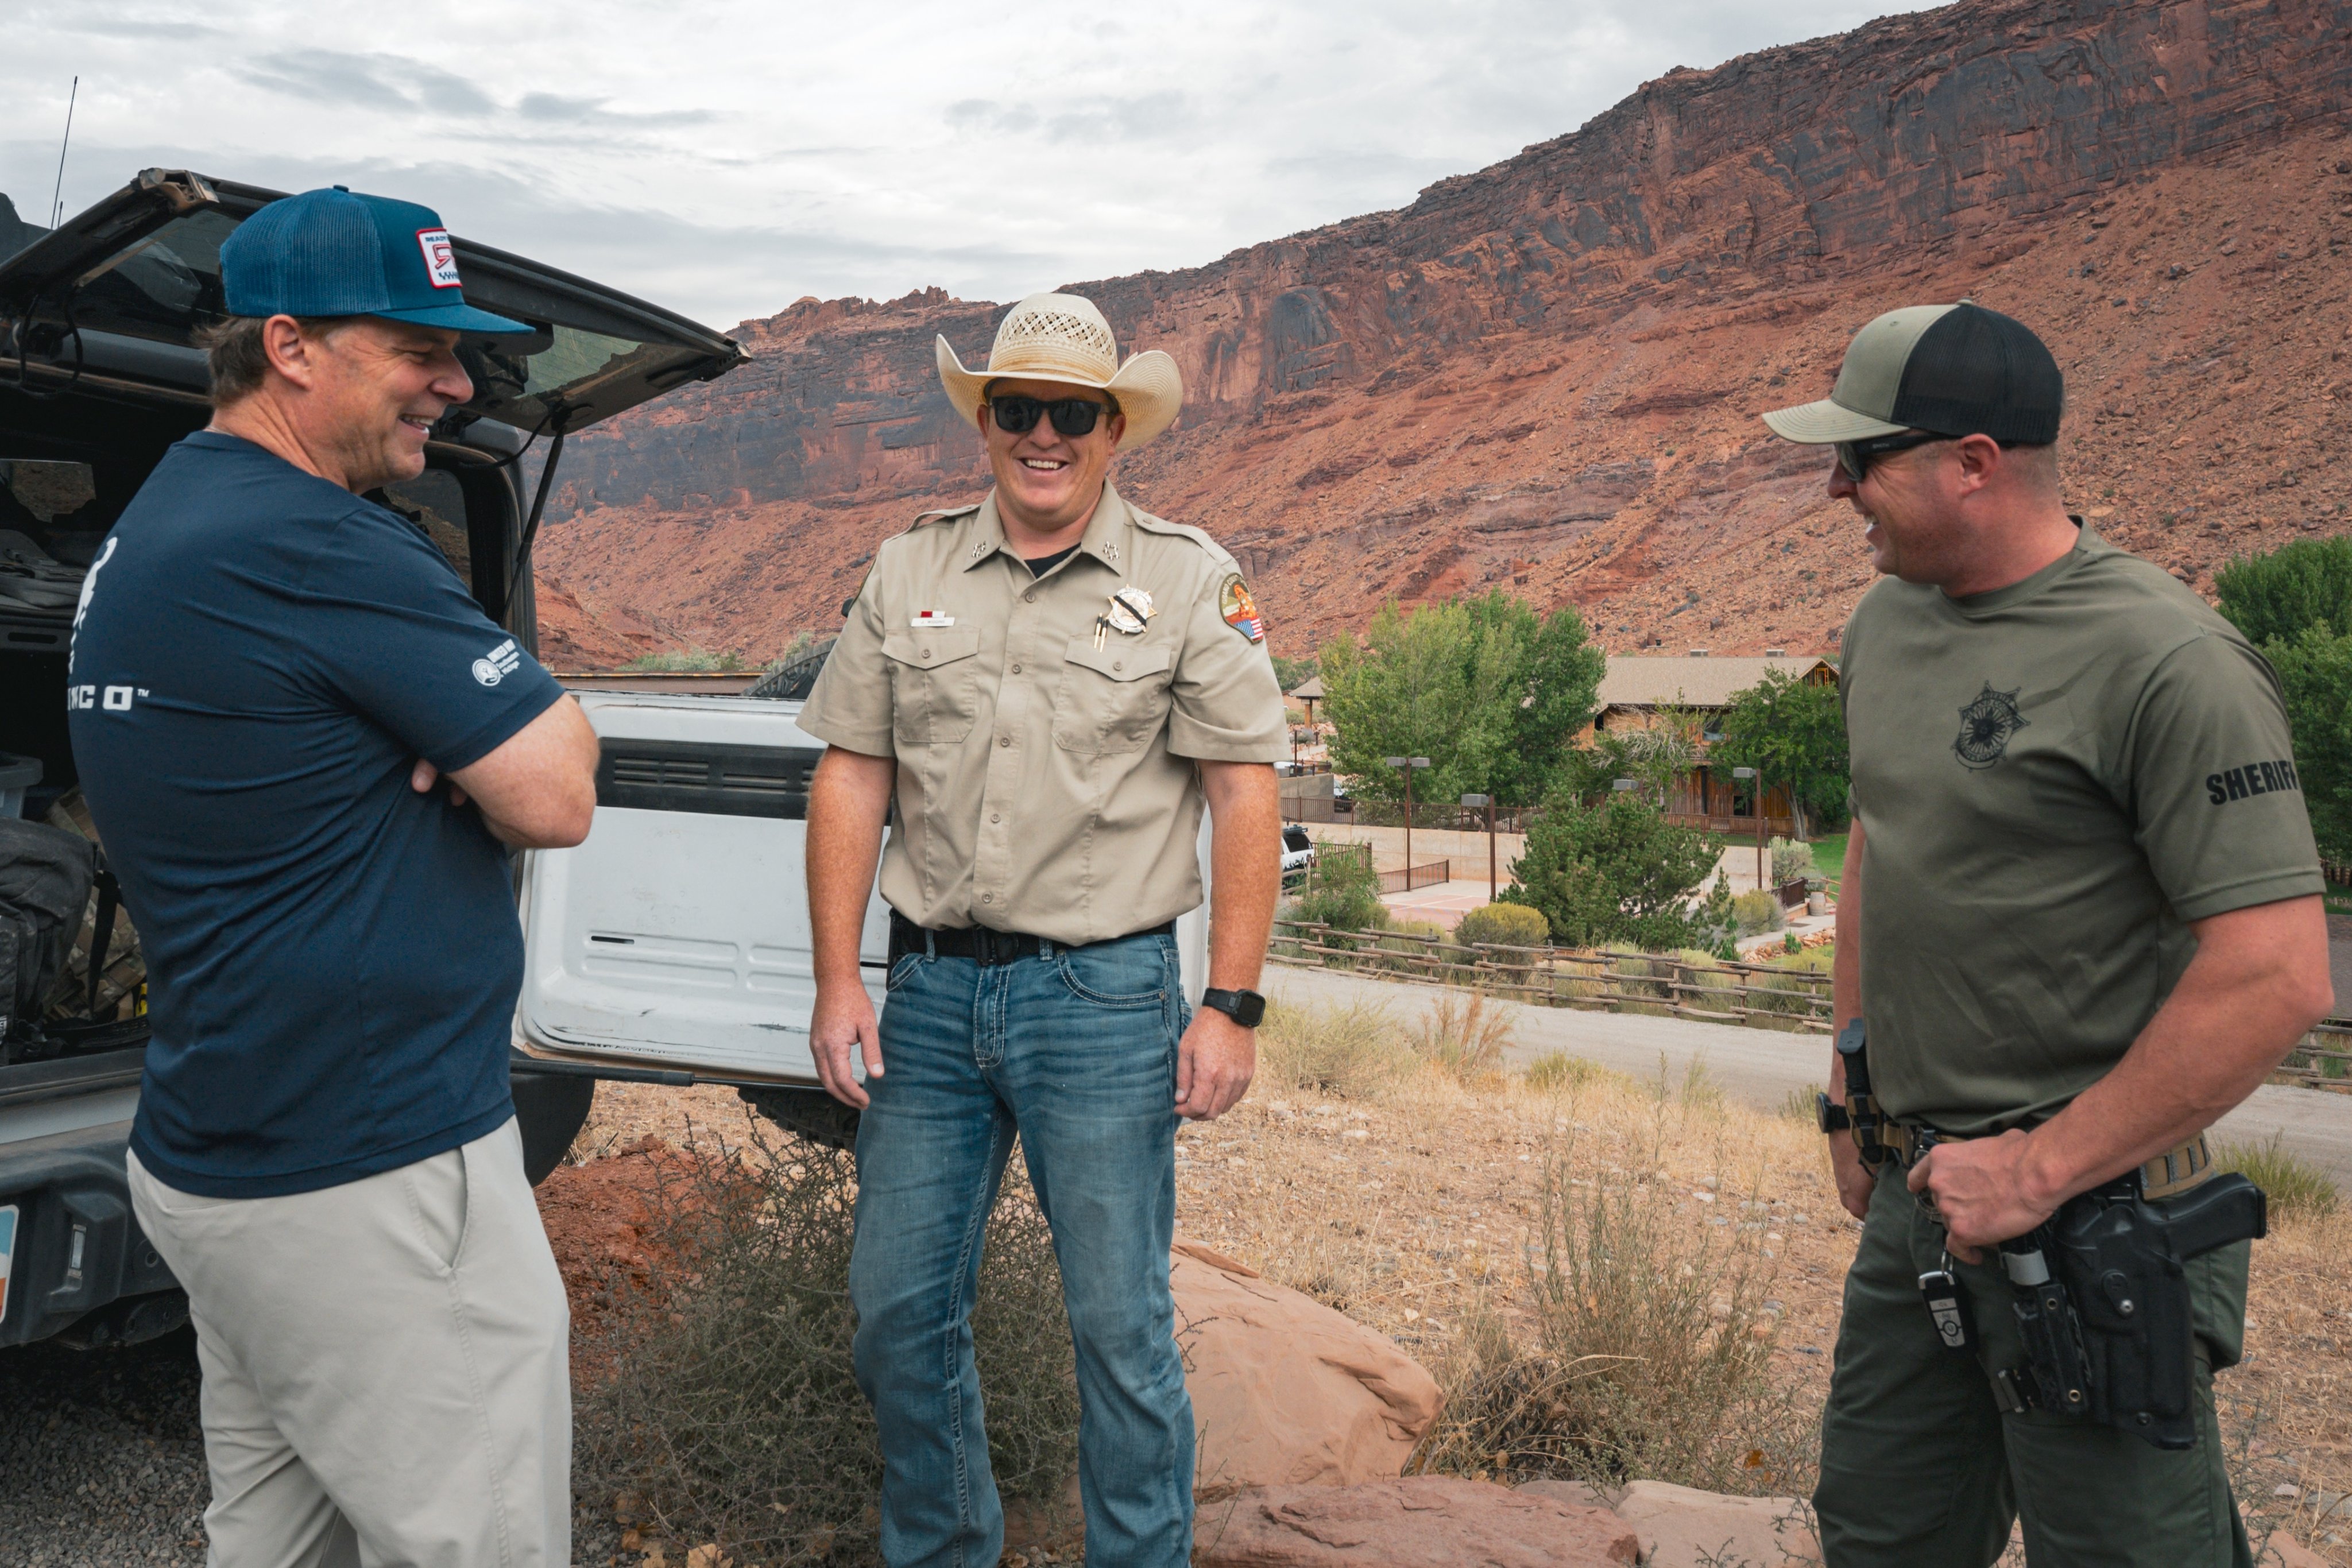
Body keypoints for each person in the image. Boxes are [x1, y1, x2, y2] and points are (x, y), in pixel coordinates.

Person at [68, 187, 600, 1567]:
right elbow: (554, 789)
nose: (456, 383)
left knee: (277, 1542)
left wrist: (444, 739)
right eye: (417, 347)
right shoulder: (314, 539)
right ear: (290, 346)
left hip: (228, 1148)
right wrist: (475, 739)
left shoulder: (169, 515)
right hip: (371, 1169)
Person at [1760, 301, 2332, 1567]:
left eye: (1860, 458)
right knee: (1879, 1536)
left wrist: (2034, 1172)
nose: (1835, 487)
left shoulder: (2168, 659)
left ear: (1972, 462)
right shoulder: (1883, 624)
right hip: (1918, 1204)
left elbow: (2276, 974)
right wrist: (1851, 1090)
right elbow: (1879, 844)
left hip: (2093, 1227)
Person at [798, 292, 1287, 1567]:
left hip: (1103, 1001)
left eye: (1072, 413)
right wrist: (837, 981)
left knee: (1119, 1332)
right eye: (1017, 408)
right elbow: (852, 773)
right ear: (985, 423)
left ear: (1115, 429)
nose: (1043, 435)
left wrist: (1230, 1005)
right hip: (928, 999)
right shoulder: (908, 568)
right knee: (896, 1318)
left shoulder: (1186, 578)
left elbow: (1245, 792)